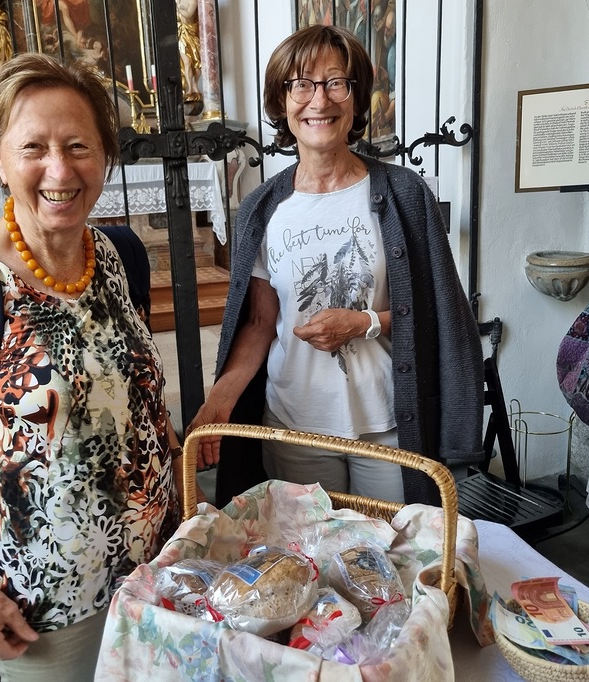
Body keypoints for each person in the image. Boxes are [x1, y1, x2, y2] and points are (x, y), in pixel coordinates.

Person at [0, 52, 203, 681]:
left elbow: (134, 397)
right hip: (43, 607)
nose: (59, 169)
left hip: (158, 578)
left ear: (106, 156)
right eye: (33, 146)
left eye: (78, 146)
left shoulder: (120, 254)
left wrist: (182, 502)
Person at [188, 24, 484, 509]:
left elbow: (440, 317)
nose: (318, 100)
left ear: (356, 98)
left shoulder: (404, 194)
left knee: (390, 556)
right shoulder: (263, 208)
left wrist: (364, 323)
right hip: (295, 423)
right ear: (282, 102)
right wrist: (220, 398)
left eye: (335, 83)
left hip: (385, 423)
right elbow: (261, 322)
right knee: (308, 555)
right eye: (301, 84)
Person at [176, 0, 202, 103]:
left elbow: (188, 14)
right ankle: (190, 88)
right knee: (187, 63)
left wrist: (177, 7)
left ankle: (195, 83)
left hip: (192, 33)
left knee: (198, 63)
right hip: (182, 35)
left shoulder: (193, 1)